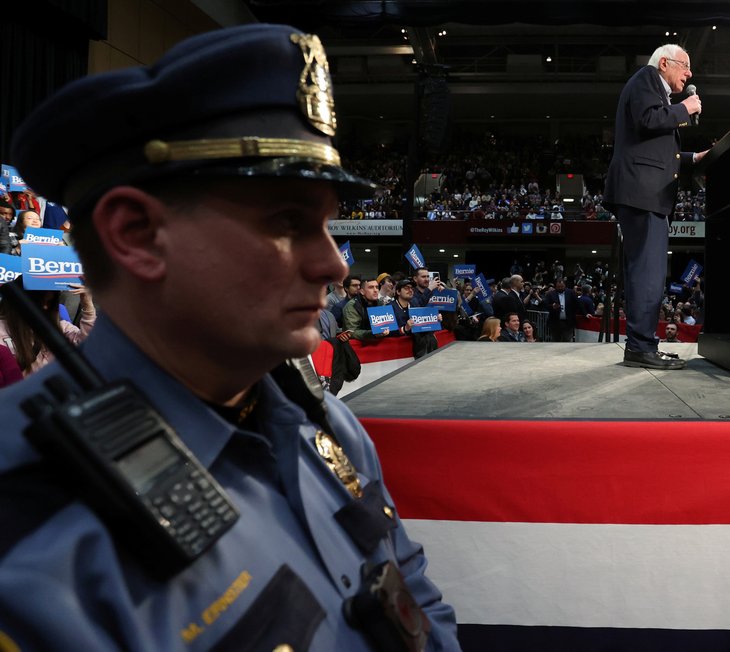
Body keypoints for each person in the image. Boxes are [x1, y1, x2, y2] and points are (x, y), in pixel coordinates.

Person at [0, 25, 460, 650]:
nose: (335, 265)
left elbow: (417, 602)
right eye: (288, 221)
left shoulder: (323, 419)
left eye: (326, 224)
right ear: (135, 234)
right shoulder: (32, 535)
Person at [603, 43, 708, 370]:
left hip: (645, 193)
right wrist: (686, 107)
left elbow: (652, 145)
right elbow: (648, 120)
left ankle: (642, 345)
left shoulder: (658, 92)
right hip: (641, 193)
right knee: (647, 274)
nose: (689, 74)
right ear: (664, 63)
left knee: (647, 273)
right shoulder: (647, 78)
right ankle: (641, 348)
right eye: (685, 66)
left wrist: (692, 158)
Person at [0, 277, 97, 376]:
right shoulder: (1, 329)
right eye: (40, 302)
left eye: (50, 303)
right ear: (21, 300)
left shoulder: (61, 328)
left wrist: (87, 305)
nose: (45, 307)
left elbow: (89, 344)